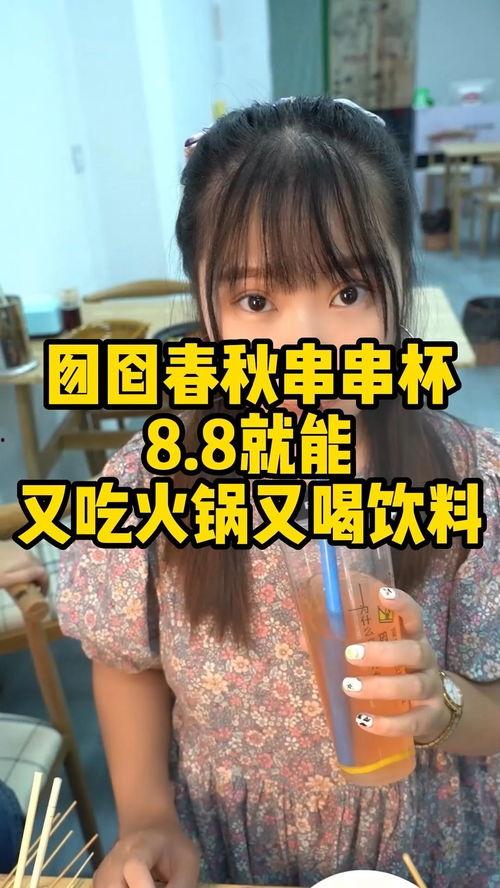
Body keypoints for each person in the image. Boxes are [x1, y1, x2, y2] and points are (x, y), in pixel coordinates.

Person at [57, 96, 500, 888]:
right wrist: (148, 816)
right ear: (206, 308)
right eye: (257, 301)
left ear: (402, 284)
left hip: (419, 846)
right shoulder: (152, 483)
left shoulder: (470, 478)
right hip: (230, 850)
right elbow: (127, 662)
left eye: (349, 293)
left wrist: (445, 707)